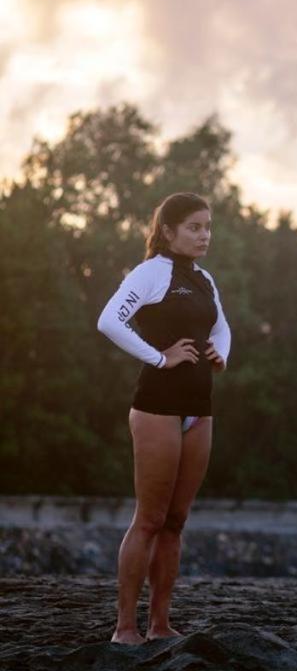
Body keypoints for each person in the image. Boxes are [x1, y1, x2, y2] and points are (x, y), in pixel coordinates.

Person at [96, 192, 230, 645]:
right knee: (149, 519)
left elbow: (221, 327)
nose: (203, 235)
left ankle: (160, 624)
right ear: (169, 230)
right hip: (157, 407)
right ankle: (125, 628)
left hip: (200, 407)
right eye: (194, 227)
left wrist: (220, 353)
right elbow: (110, 320)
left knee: (176, 521)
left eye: (207, 227)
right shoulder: (151, 272)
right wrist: (158, 358)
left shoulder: (205, 279)